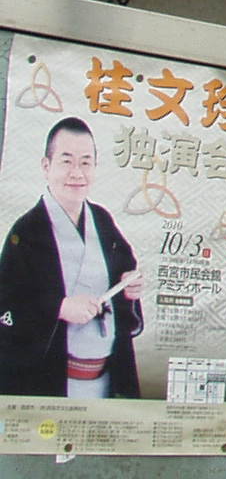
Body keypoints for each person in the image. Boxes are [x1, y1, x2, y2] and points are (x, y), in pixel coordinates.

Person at [0, 117, 145, 398]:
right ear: (46, 166)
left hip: (105, 379)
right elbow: (6, 302)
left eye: (85, 162)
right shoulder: (27, 232)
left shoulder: (102, 221)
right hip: (50, 380)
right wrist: (58, 308)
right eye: (66, 161)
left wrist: (130, 287)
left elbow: (126, 273)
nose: (77, 173)